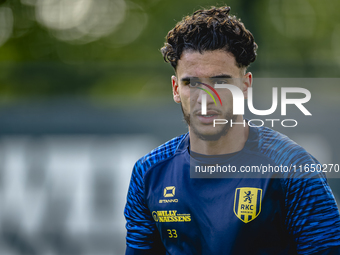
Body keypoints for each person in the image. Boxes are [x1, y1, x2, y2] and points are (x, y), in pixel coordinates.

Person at [124, 6, 340, 255]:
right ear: (175, 89)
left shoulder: (292, 168)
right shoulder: (148, 173)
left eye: (221, 82)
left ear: (246, 86)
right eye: (192, 83)